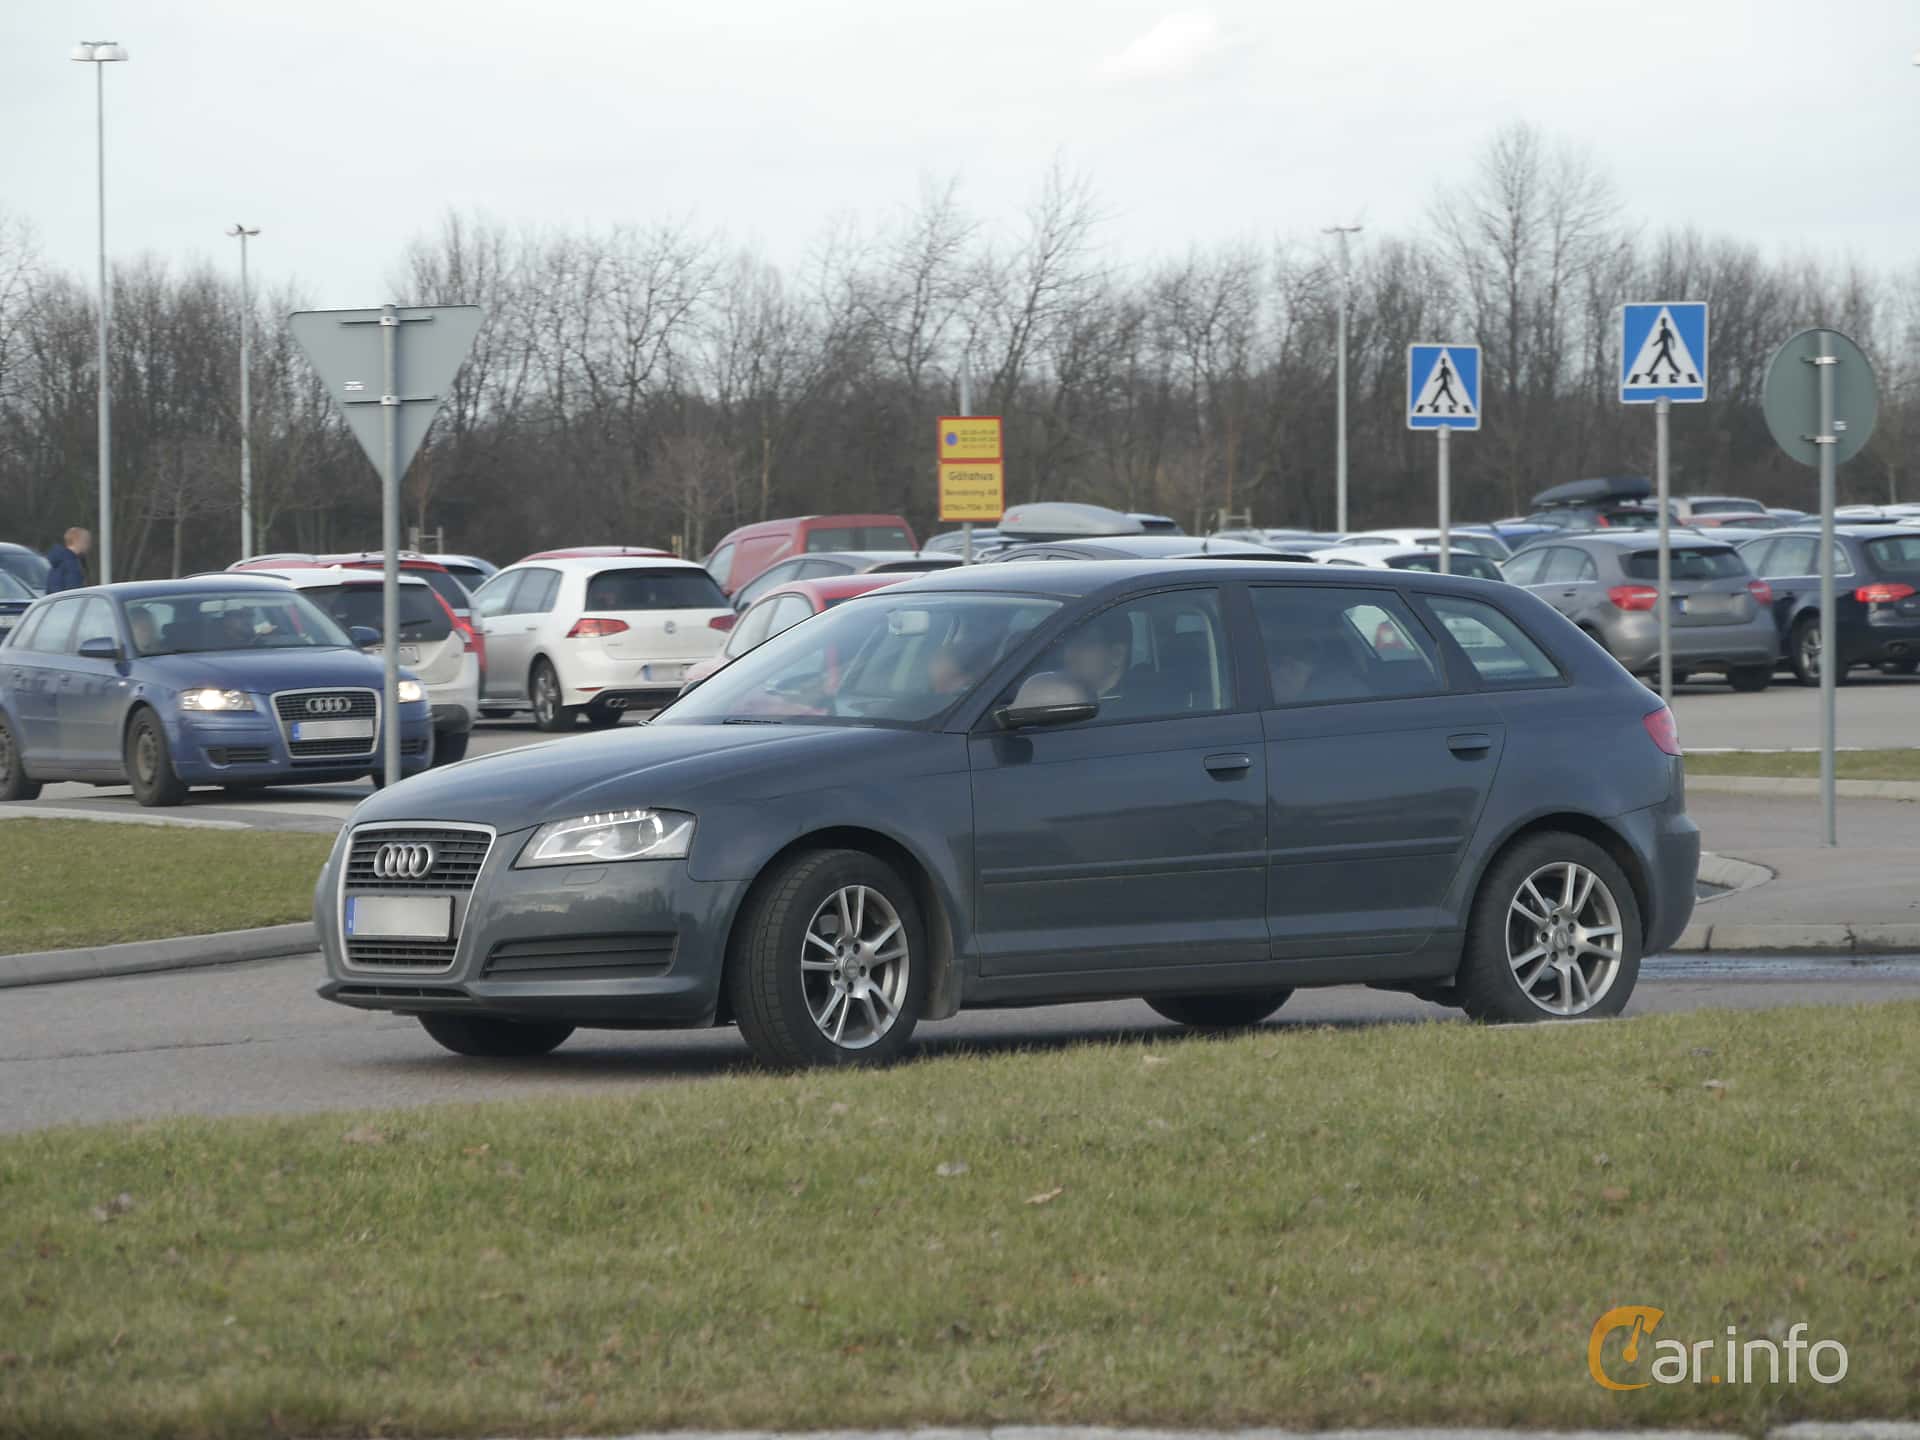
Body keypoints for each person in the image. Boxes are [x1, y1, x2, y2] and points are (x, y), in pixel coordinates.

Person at [44, 527, 90, 593]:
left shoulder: (61, 561)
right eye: (86, 540)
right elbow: (74, 591)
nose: (88, 544)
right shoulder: (70, 564)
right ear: (77, 540)